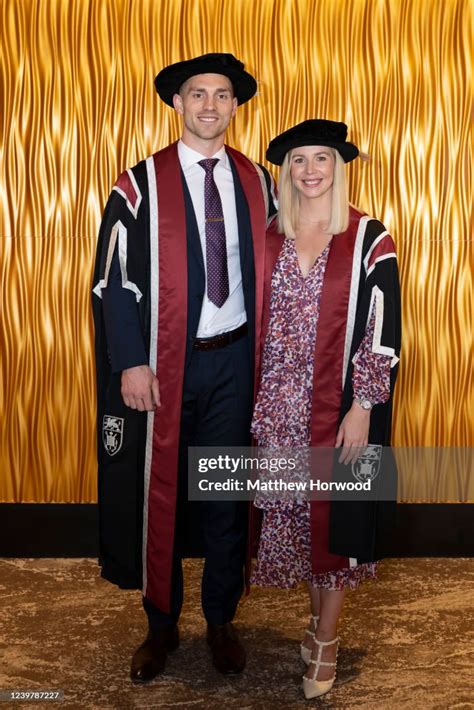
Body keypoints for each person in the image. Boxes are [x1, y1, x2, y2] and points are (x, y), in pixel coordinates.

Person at [92, 53, 276, 682]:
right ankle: (161, 625)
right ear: (177, 102)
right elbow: (116, 281)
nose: (208, 105)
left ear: (234, 105)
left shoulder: (258, 181)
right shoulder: (139, 183)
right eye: (197, 93)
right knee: (159, 495)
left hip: (234, 363)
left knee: (226, 493)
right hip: (167, 367)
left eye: (221, 95)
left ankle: (221, 619)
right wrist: (131, 363)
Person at [249, 119, 401, 699]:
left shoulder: (368, 237)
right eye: (298, 162)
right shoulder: (271, 235)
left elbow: (383, 330)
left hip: (341, 408)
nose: (310, 171)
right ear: (286, 172)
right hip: (279, 411)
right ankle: (314, 624)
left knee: (336, 522)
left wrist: (363, 405)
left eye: (321, 159)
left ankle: (328, 640)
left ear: (338, 168)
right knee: (299, 521)